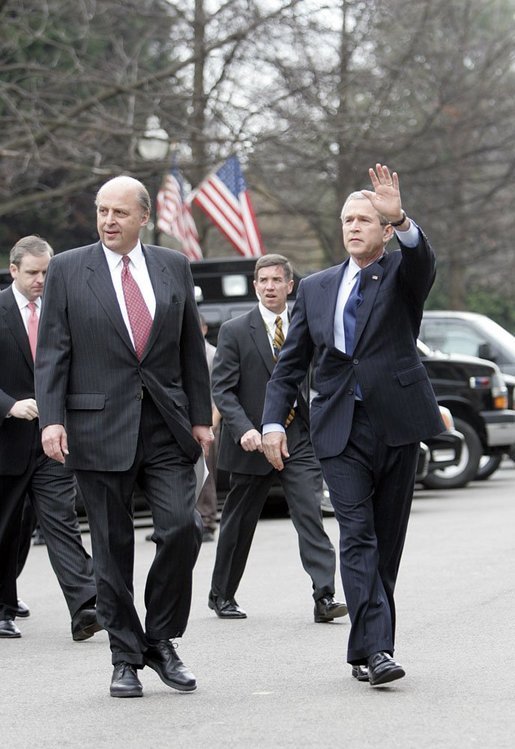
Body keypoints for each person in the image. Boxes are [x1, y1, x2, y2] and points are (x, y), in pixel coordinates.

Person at [262, 165, 445, 687]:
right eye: (347, 219)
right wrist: (274, 421)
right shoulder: (317, 288)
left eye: (364, 219)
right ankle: (381, 650)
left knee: (386, 542)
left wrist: (402, 217)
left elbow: (423, 261)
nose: (354, 227)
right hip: (338, 427)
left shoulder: (401, 276)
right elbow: (292, 364)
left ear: (384, 229)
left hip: (397, 423)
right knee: (358, 536)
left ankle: (363, 647)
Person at [34, 176, 213, 698]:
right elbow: (52, 353)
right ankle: (124, 656)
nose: (108, 220)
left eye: (118, 212)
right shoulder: (68, 269)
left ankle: (160, 639)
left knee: (183, 529)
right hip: (96, 425)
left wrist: (200, 416)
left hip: (166, 423)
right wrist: (51, 419)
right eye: (101, 211)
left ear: (143, 217)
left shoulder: (173, 265)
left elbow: (187, 348)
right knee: (111, 549)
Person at [208, 253, 347, 624]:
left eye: (276, 280)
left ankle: (324, 595)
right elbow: (222, 391)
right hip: (251, 442)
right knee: (239, 523)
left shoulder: (307, 326)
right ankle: (222, 594)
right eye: (263, 281)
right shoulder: (235, 331)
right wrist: (245, 430)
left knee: (309, 514)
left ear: (290, 285)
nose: (269, 287)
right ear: (255, 286)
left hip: (298, 437)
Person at [0, 235, 99, 641]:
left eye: (47, 272)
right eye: (33, 273)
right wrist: (9, 406)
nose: (41, 279)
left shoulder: (64, 310)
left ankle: (84, 607)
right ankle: (3, 603)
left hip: (51, 440)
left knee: (61, 522)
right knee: (7, 529)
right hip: (5, 440)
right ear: (13, 270)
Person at [196, 314, 221, 543]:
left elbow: (220, 394)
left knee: (206, 474)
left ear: (204, 328)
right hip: (189, 422)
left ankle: (207, 522)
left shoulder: (212, 354)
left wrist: (211, 424)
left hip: (210, 420)